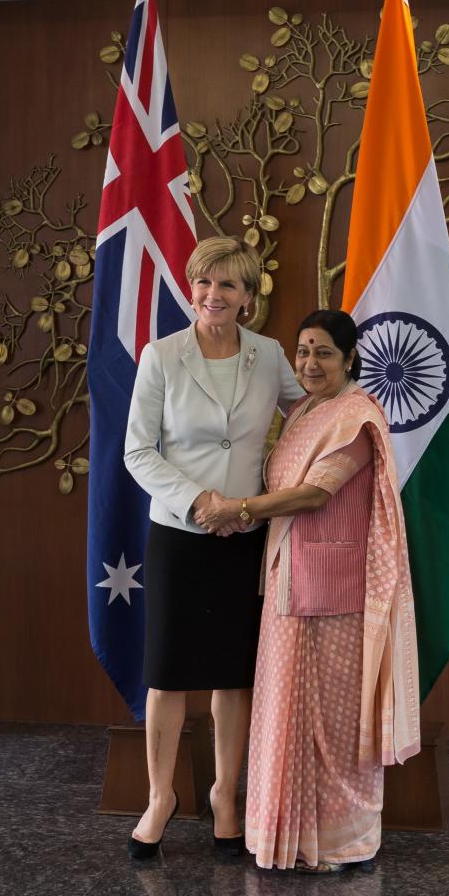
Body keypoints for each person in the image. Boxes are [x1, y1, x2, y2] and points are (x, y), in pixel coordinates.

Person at [196, 309, 422, 872]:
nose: (309, 363)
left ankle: (342, 841)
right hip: (283, 580)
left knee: (332, 721)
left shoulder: (356, 417)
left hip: (334, 589)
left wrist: (237, 509)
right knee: (286, 709)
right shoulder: (301, 411)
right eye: (302, 351)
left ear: (350, 359)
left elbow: (314, 495)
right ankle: (289, 838)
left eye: (323, 352)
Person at [122, 236, 302, 859]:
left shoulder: (271, 355)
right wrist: (201, 502)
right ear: (191, 289)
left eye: (227, 285)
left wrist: (262, 496)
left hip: (246, 536)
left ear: (249, 297)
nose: (213, 295)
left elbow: (308, 421)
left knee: (233, 671)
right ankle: (161, 796)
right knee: (167, 671)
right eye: (203, 283)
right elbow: (137, 451)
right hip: (179, 532)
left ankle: (228, 795)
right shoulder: (161, 356)